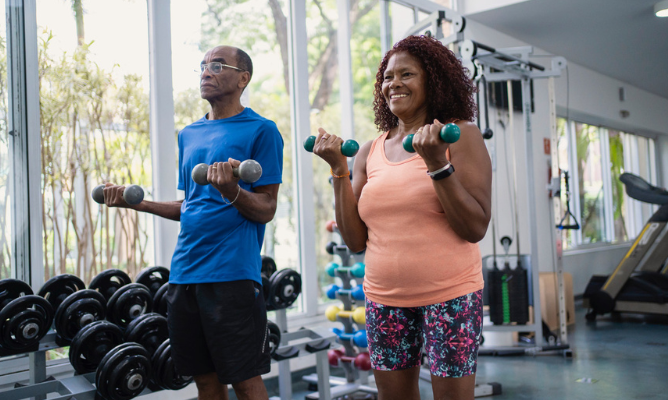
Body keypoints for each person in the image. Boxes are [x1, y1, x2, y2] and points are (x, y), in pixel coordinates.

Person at [312, 35, 491, 400]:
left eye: (406, 74)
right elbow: (355, 240)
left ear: (433, 80)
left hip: (451, 297)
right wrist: (338, 171)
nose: (393, 83)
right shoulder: (369, 151)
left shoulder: (460, 136)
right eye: (388, 77)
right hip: (384, 299)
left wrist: (438, 164)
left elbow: (475, 227)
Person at [102, 45, 283, 400]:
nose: (206, 72)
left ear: (243, 78)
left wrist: (232, 190)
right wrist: (137, 203)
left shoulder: (262, 130)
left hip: (231, 275)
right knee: (204, 382)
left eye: (217, 66)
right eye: (202, 66)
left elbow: (266, 208)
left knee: (245, 383)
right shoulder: (189, 134)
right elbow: (192, 206)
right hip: (184, 274)